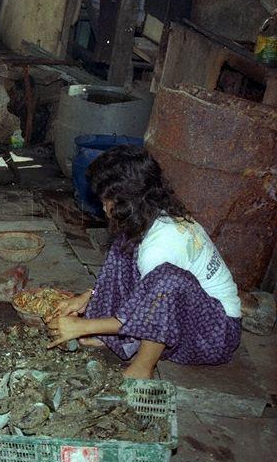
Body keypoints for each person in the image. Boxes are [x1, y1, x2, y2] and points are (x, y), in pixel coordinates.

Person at [45, 145, 241, 379]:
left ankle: (142, 368)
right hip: (195, 316)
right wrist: (89, 296)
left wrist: (83, 326)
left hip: (214, 335)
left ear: (122, 201)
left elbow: (151, 308)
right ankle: (113, 337)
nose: (103, 206)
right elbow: (141, 291)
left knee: (167, 281)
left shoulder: (159, 247)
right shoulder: (154, 213)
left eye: (105, 199)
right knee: (123, 248)